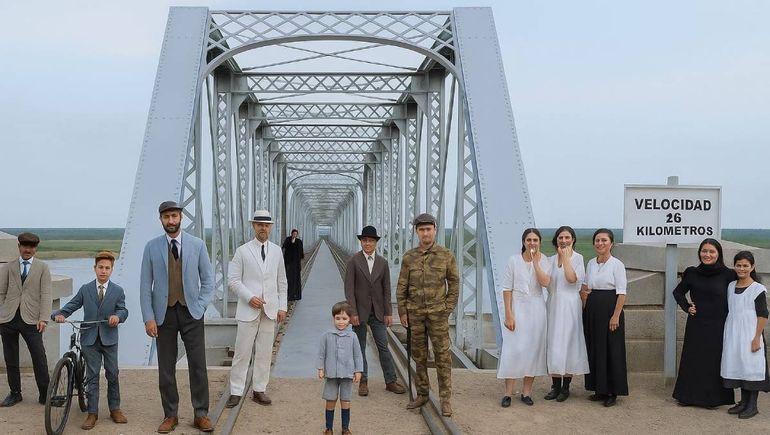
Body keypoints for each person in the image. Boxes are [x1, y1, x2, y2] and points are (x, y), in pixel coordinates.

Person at [140, 201, 215, 433]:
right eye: (166, 217)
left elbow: (208, 281)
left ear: (181, 217)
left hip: (192, 312)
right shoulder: (151, 247)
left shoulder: (197, 245)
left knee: (198, 364)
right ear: (161, 220)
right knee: (166, 367)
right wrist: (148, 317)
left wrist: (200, 306)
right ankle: (170, 415)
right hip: (163, 315)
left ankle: (200, 414)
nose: (170, 221)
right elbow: (145, 286)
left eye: (174, 216)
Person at [52, 251, 129, 430]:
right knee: (92, 376)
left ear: (111, 270)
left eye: (107, 268)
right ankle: (92, 413)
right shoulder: (85, 289)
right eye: (100, 267)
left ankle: (115, 409)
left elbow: (123, 310)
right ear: (95, 268)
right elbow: (72, 305)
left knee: (112, 373)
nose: (103, 271)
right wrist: (60, 314)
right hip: (89, 338)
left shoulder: (118, 290)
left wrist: (118, 317)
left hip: (109, 339)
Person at [396, 213, 459, 417]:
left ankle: (445, 399)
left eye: (428, 229)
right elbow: (402, 286)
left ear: (435, 230)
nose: (425, 233)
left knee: (442, 356)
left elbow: (454, 283)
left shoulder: (446, 255)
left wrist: (447, 307)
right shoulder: (409, 257)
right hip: (415, 314)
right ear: (417, 232)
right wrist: (402, 311)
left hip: (438, 314)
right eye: (421, 230)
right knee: (419, 355)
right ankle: (422, 394)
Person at [226, 210, 288, 409]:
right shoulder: (242, 251)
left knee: (264, 352)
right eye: (260, 225)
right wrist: (249, 297)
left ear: (270, 228)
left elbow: (282, 281)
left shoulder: (277, 251)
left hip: (269, 310)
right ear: (253, 226)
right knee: (242, 352)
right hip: (248, 309)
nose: (263, 228)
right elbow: (233, 280)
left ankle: (259, 389)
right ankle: (236, 391)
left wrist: (282, 306)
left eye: (266, 225)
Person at [671, 238, 736, 408]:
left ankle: (712, 399)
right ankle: (687, 397)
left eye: (711, 251)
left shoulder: (729, 274)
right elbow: (678, 292)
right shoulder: (692, 272)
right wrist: (687, 307)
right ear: (699, 253)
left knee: (713, 361)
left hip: (719, 325)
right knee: (693, 359)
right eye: (704, 251)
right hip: (697, 324)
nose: (707, 254)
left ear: (718, 254)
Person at [344, 225, 406, 397]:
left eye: (371, 241)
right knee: (360, 348)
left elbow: (386, 290)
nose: (367, 243)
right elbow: (349, 290)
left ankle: (390, 381)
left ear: (376, 243)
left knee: (383, 346)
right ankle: (363, 382)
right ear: (361, 242)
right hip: (360, 312)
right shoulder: (353, 261)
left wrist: (388, 312)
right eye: (364, 240)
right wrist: (353, 313)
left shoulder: (383, 263)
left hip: (378, 312)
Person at [497, 228, 550, 407]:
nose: (532, 243)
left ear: (539, 242)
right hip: (517, 308)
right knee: (514, 349)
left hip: (537, 309)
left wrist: (536, 263)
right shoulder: (513, 260)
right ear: (523, 242)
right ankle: (508, 393)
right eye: (529, 240)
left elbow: (545, 282)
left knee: (533, 350)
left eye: (535, 240)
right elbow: (507, 289)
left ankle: (526, 392)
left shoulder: (545, 260)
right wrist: (508, 314)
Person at [0, 232, 51, 407]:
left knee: (39, 357)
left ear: (35, 248)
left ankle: (45, 394)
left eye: (31, 247)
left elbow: (46, 294)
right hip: (8, 319)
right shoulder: (9, 267)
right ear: (19, 247)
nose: (27, 250)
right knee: (11, 358)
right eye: (24, 246)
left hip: (32, 320)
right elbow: (1, 292)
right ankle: (15, 393)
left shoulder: (43, 267)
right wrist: (2, 314)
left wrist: (43, 318)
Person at [580, 228, 629, 407]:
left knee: (611, 349)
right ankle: (598, 388)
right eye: (597, 240)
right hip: (593, 309)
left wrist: (615, 316)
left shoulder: (617, 264)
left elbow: (622, 293)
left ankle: (612, 391)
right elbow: (586, 286)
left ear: (611, 243)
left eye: (604, 240)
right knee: (595, 348)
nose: (600, 243)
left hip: (610, 308)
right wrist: (584, 301)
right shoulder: (591, 263)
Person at [720, 251, 769, 419]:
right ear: (734, 266)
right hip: (734, 333)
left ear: (752, 267)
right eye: (738, 265)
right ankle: (743, 402)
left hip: (750, 333)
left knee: (750, 368)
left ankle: (752, 405)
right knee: (740, 366)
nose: (742, 268)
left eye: (745, 265)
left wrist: (756, 338)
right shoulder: (731, 286)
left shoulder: (757, 289)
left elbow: (763, 315)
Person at [544, 226, 589, 403]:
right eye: (560, 237)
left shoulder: (578, 258)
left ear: (573, 239)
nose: (563, 241)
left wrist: (565, 258)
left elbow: (571, 279)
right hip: (554, 304)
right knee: (554, 343)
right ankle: (555, 385)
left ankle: (566, 387)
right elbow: (546, 282)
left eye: (567, 237)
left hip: (570, 305)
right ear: (556, 240)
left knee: (569, 342)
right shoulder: (549, 260)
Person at [317, 301, 364, 435]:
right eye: (338, 318)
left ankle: (345, 428)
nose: (341, 322)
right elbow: (321, 354)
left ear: (349, 320)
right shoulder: (326, 335)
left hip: (347, 374)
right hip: (331, 374)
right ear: (333, 318)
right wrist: (321, 368)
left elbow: (357, 355)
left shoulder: (353, 336)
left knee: (345, 400)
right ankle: (329, 428)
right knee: (330, 400)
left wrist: (358, 370)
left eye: (344, 319)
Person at [282, 229, 305, 302]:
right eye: (294, 234)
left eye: (296, 234)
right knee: (288, 278)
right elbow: (284, 247)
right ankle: (289, 295)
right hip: (288, 263)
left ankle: (296, 295)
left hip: (296, 264)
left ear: (297, 235)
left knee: (296, 279)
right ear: (291, 234)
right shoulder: (288, 240)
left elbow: (301, 252)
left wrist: (300, 258)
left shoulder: (299, 241)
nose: (295, 235)